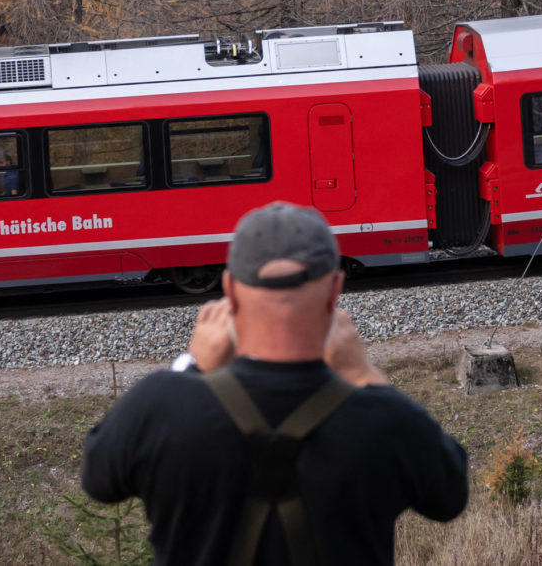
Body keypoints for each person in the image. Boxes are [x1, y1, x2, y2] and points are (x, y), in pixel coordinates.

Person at [81, 203, 468, 566]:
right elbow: (449, 496)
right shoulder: (388, 422)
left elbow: (98, 479)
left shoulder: (159, 405)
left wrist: (191, 365)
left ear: (230, 290)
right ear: (335, 289)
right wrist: (364, 374)